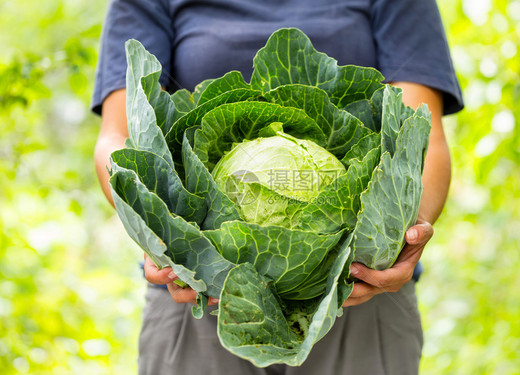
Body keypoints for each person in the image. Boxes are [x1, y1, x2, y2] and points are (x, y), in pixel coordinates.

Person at [92, 0, 463, 374]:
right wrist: (155, 230)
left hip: (360, 292)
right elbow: (118, 137)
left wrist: (406, 230)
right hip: (196, 298)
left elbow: (421, 138)